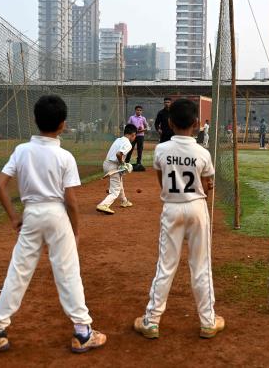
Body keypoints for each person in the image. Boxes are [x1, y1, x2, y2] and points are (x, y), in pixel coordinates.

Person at [0, 95, 105, 354]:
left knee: (19, 272)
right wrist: (76, 230)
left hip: (31, 214)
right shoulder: (64, 156)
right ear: (63, 124)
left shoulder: (22, 150)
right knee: (68, 272)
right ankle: (83, 331)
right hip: (57, 214)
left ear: (35, 120)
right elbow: (70, 200)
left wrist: (14, 217)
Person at [133, 98, 224, 340]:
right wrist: (204, 186)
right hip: (197, 207)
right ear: (196, 123)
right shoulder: (202, 152)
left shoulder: (161, 150)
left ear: (170, 123)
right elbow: (206, 185)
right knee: (200, 266)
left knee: (166, 265)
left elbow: (161, 181)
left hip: (172, 208)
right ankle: (207, 322)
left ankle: (151, 321)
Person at [96, 124, 137, 215]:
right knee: (115, 191)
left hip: (106, 164)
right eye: (135, 136)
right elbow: (119, 154)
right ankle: (104, 205)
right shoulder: (128, 144)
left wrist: (121, 164)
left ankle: (124, 201)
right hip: (113, 166)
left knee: (119, 182)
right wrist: (122, 164)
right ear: (133, 134)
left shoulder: (118, 139)